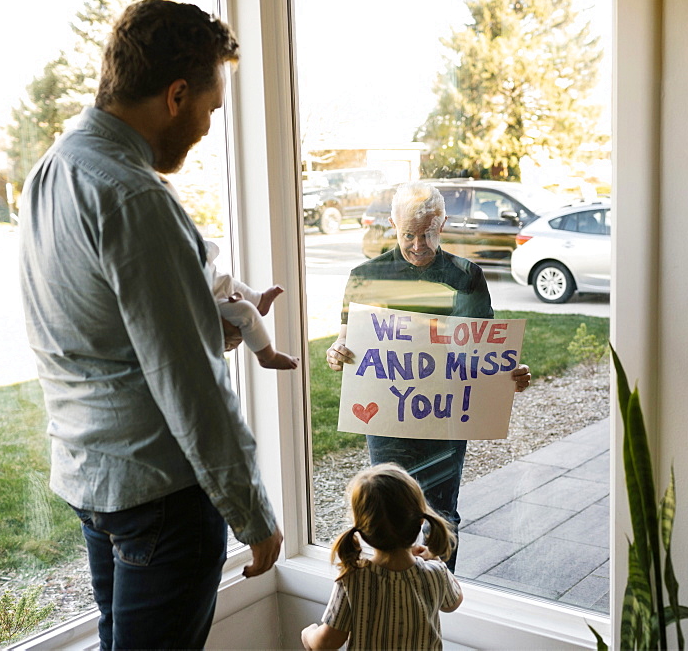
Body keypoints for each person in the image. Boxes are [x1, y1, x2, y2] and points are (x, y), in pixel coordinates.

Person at [18, 0, 282, 649]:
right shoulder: (135, 196)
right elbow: (188, 382)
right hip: (161, 497)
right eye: (210, 110)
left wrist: (207, 318)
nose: (206, 128)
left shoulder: (53, 171)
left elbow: (101, 328)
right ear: (175, 95)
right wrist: (253, 513)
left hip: (94, 481)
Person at [326, 182, 531, 571]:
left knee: (441, 514)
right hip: (388, 414)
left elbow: (481, 350)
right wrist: (338, 352)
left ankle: (437, 596)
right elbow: (347, 338)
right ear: (392, 225)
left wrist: (508, 376)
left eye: (428, 233)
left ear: (443, 224)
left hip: (446, 415)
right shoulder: (367, 275)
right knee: (386, 511)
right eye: (408, 234)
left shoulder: (466, 275)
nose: (418, 244)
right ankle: (391, 596)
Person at [300, 463, 463, 650]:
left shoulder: (354, 579)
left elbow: (327, 643)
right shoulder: (434, 573)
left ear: (361, 528)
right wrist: (434, 559)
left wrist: (308, 634)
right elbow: (453, 603)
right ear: (420, 521)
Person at [204, 239, 299, 370]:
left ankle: (259, 300)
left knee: (229, 282)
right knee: (245, 311)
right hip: (210, 302)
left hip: (213, 284)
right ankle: (268, 356)